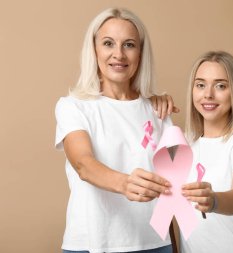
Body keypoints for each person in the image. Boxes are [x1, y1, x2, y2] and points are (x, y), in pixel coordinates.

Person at [55, 8, 178, 253]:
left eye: (129, 45)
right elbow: (83, 164)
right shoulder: (73, 106)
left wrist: (174, 245)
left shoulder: (158, 111)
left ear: (141, 53)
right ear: (94, 49)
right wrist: (125, 184)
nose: (118, 54)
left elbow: (170, 189)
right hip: (92, 243)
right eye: (108, 43)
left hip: (156, 243)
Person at [181, 51, 233, 252]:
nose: (208, 94)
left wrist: (214, 201)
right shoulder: (184, 143)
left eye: (220, 86)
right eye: (200, 85)